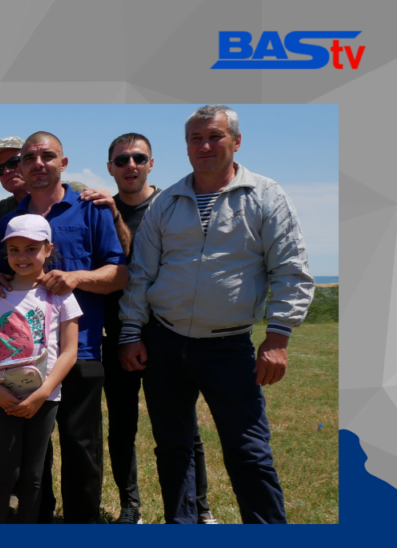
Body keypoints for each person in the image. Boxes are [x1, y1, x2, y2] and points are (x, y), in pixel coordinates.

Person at [119, 105, 314, 524]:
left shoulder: (265, 196)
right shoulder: (166, 202)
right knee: (173, 447)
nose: (204, 146)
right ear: (186, 146)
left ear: (236, 141)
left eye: (214, 136)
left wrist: (278, 337)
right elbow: (141, 274)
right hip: (164, 341)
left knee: (249, 450)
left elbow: (290, 269)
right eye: (196, 138)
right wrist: (131, 332)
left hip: (228, 345)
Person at [0, 132, 126, 524]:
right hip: (23, 361)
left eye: (47, 156)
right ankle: (37, 521)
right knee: (33, 455)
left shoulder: (90, 209)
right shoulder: (9, 221)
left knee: (81, 449)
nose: (38, 163)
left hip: (79, 351)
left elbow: (120, 274)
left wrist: (77, 278)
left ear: (63, 163)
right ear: (20, 167)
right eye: (28, 157)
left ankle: (81, 524)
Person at [81, 133, 216, 524]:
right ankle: (130, 506)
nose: (131, 166)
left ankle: (200, 508)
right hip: (115, 334)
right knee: (122, 426)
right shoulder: (99, 212)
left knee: (182, 427)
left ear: (151, 164)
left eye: (139, 158)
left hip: (167, 335)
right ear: (110, 168)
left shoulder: (173, 206)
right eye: (122, 160)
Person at [0, 215, 81, 523]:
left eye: (31, 249)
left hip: (45, 399)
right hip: (3, 396)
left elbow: (69, 351)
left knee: (34, 475)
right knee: (7, 471)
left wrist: (43, 393)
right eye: (14, 249)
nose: (22, 257)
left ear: (48, 249)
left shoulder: (60, 295)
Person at [0, 137, 86, 229]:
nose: (6, 171)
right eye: (0, 169)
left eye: (13, 162)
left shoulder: (75, 192)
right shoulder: (1, 211)